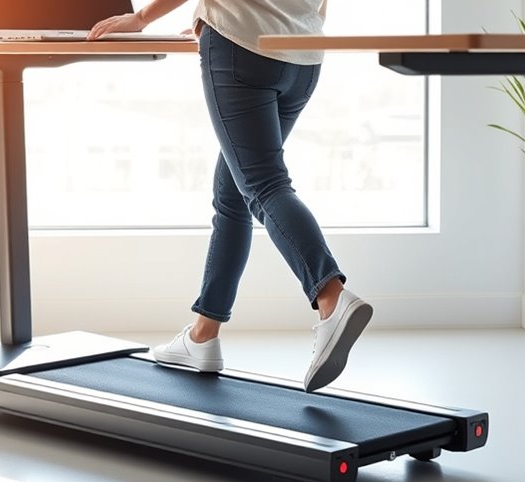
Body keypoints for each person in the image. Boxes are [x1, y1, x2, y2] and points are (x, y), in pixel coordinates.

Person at [89, 0, 372, 392]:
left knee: (263, 185)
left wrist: (141, 19)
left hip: (242, 48)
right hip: (302, 58)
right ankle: (204, 334)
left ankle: (330, 296)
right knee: (234, 192)